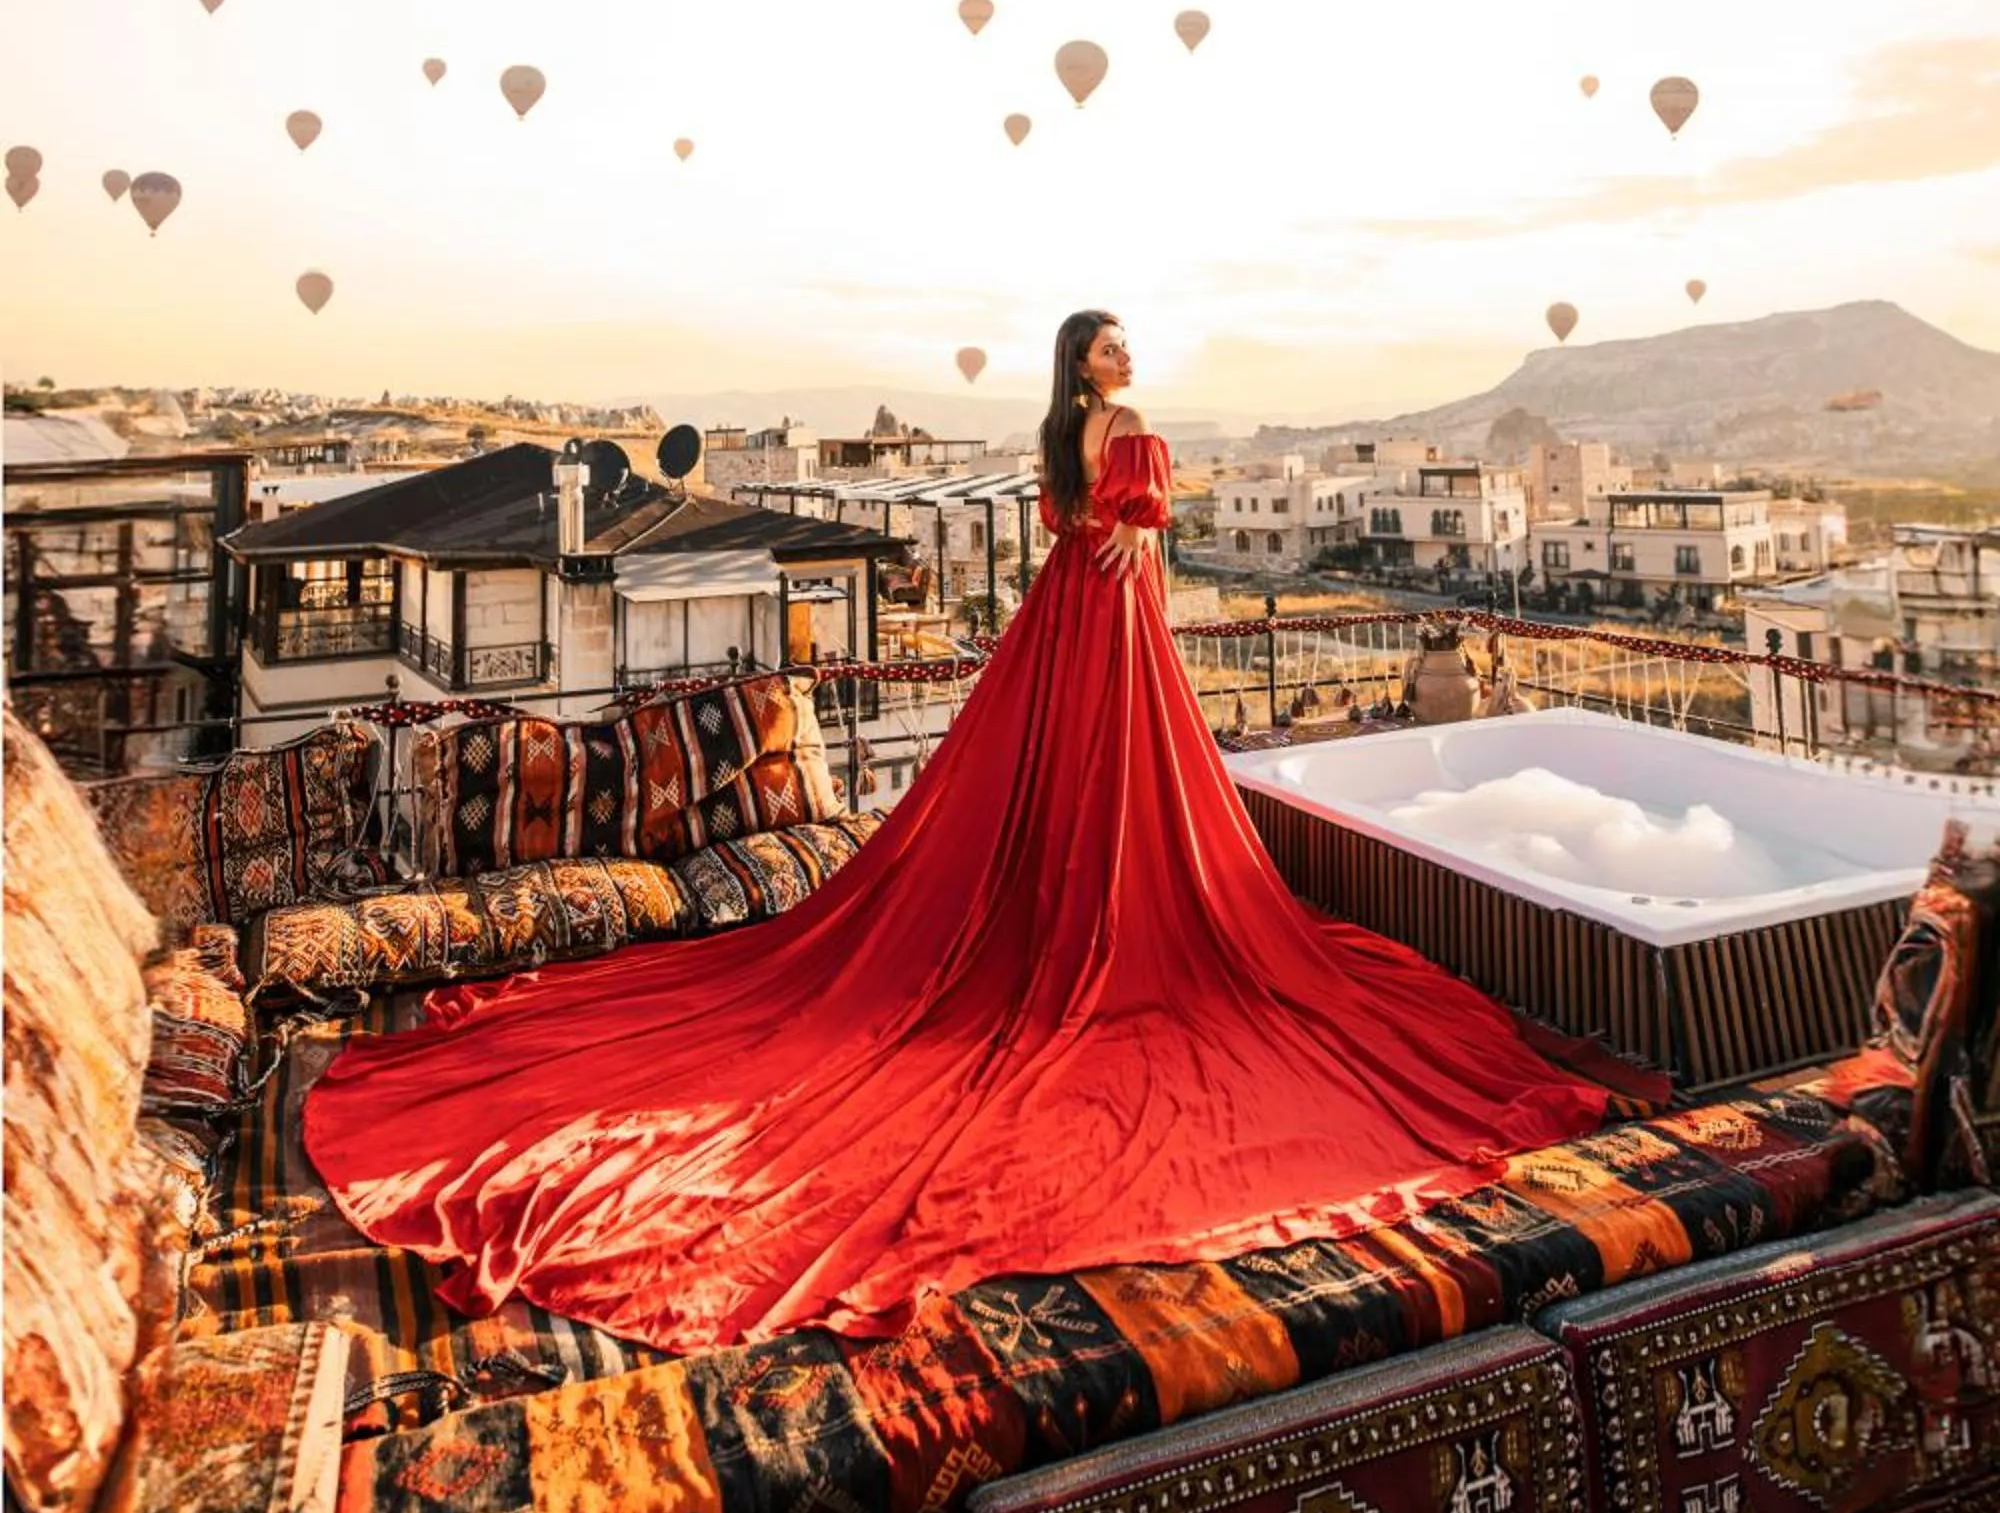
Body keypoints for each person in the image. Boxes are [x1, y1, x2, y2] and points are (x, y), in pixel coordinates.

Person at [303, 310, 1608, 1356]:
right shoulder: (1135, 430)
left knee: (1051, 786)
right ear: (1085, 362)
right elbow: (1139, 544)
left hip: (1060, 618)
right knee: (1130, 783)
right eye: (1108, 345)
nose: (1125, 358)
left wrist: (1110, 544)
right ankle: (1105, 927)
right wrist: (1137, 562)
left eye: (1122, 348)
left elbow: (1082, 533)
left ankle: (1060, 919)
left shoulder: (1059, 440)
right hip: (1114, 624)